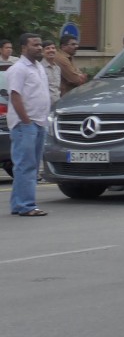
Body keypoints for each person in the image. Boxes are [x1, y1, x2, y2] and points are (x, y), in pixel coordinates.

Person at [7, 33, 51, 216]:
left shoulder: (38, 67)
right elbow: (15, 95)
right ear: (24, 48)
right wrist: (25, 120)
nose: (39, 48)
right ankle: (27, 206)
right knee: (27, 166)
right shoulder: (19, 69)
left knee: (28, 166)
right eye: (35, 45)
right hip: (26, 124)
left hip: (39, 122)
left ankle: (18, 204)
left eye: (40, 44)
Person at [41, 40, 62, 106]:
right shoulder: (39, 68)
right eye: (47, 48)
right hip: (44, 105)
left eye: (53, 48)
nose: (51, 50)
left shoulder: (57, 68)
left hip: (57, 104)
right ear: (42, 52)